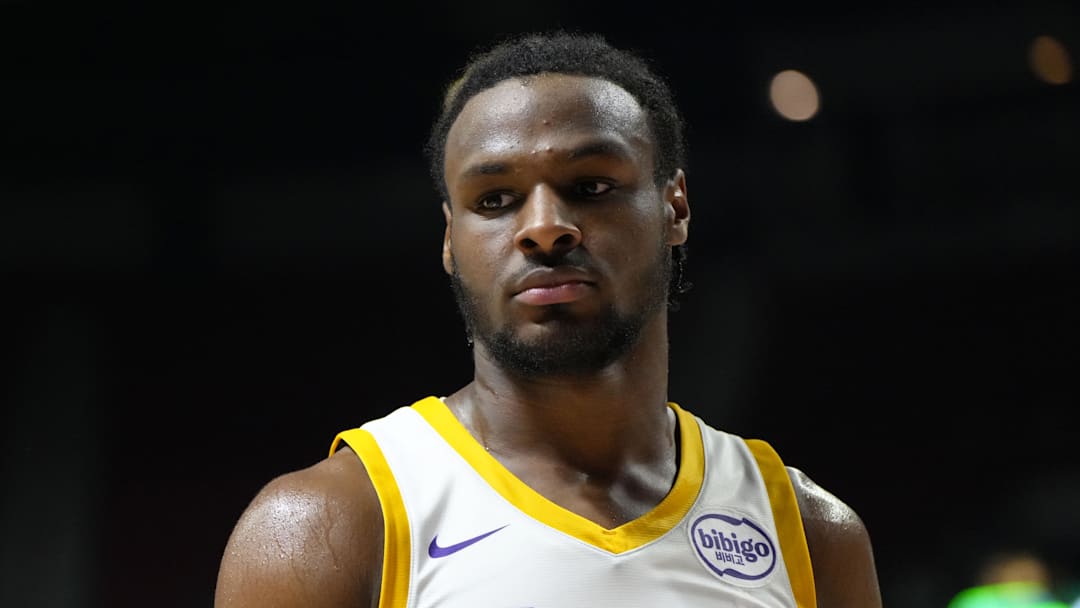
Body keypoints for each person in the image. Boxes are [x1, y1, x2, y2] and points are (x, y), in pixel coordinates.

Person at [213, 30, 883, 607]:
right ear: (450, 238)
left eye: (590, 186)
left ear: (675, 208)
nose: (543, 228)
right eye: (496, 198)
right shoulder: (330, 525)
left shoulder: (809, 533)